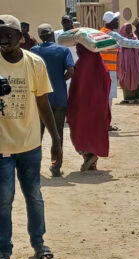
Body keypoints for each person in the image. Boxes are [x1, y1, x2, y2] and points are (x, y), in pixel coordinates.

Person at [0, 15, 62, 259]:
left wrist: (56, 141)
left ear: (20, 36)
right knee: (3, 201)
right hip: (1, 147)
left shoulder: (35, 63)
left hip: (29, 144)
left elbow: (43, 104)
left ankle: (39, 242)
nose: (4, 39)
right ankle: (3, 250)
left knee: (34, 196)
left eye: (8, 34)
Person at [29, 24, 74, 177]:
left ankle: (33, 166)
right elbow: (71, 71)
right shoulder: (63, 50)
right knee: (58, 133)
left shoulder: (34, 51)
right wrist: (60, 79)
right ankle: (56, 165)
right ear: (53, 35)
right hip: (59, 97)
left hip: (39, 98)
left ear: (40, 36)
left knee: (38, 133)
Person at [100, 11, 139, 131]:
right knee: (108, 100)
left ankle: (102, 123)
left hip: (102, 69)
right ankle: (105, 124)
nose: (118, 22)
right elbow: (128, 43)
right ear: (110, 22)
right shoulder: (111, 34)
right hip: (109, 71)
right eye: (116, 20)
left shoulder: (101, 32)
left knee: (103, 98)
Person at [67, 43, 111, 172]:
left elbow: (75, 86)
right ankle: (92, 161)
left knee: (78, 129)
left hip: (81, 105)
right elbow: (107, 82)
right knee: (96, 130)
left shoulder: (81, 63)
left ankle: (87, 155)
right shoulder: (100, 62)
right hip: (98, 105)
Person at [117, 23, 139, 104]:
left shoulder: (134, 37)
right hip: (124, 62)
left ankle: (135, 96)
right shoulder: (120, 38)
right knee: (126, 77)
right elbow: (119, 49)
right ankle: (127, 97)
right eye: (127, 28)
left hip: (134, 61)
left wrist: (132, 40)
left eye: (130, 28)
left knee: (134, 76)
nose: (129, 30)